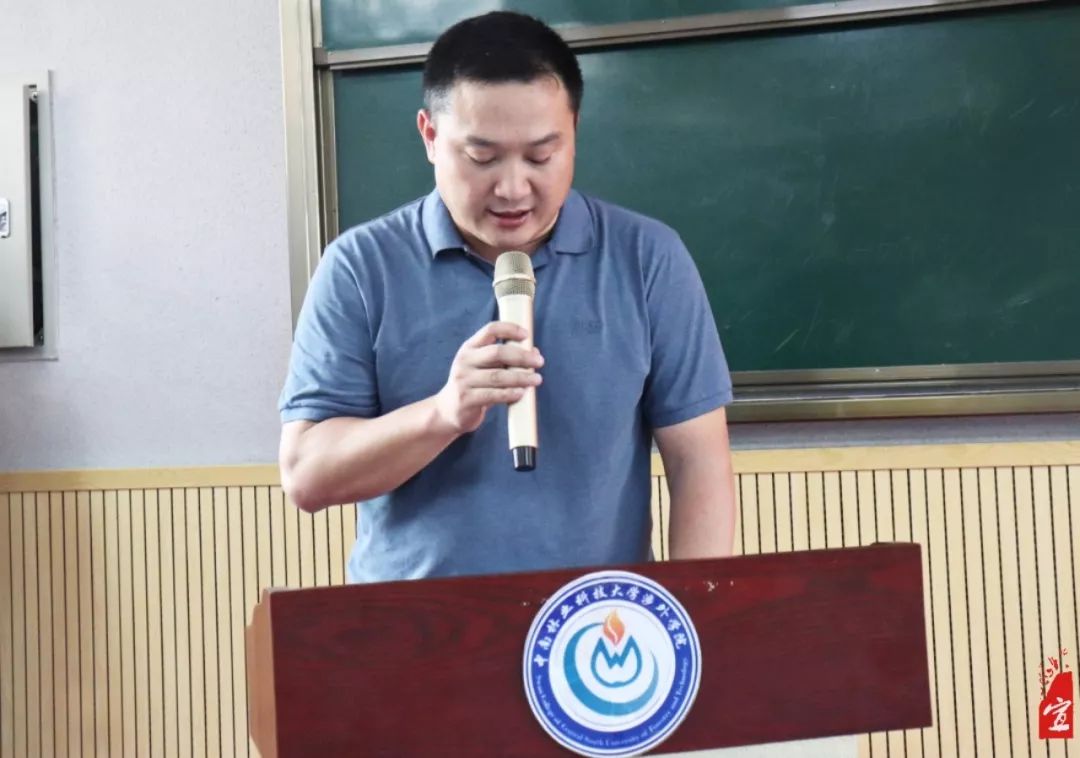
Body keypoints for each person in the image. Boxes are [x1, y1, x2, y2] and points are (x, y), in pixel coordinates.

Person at [278, 11, 737, 583]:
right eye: (483, 157)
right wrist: (443, 413)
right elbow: (307, 476)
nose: (514, 188)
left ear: (574, 131)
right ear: (429, 136)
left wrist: (693, 612)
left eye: (541, 156)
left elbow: (698, 464)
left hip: (592, 622)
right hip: (415, 624)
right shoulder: (359, 267)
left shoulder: (647, 259)